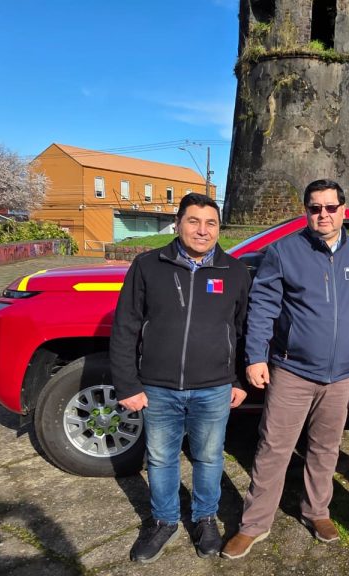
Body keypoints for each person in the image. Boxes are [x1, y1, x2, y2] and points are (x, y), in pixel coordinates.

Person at [221, 179, 349, 560]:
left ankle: (317, 512)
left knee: (326, 448)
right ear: (305, 211)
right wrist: (255, 357)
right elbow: (263, 308)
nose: (322, 214)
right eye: (314, 207)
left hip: (340, 374)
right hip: (292, 370)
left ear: (344, 210)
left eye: (330, 207)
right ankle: (254, 525)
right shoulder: (283, 252)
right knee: (274, 448)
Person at [110, 193, 251, 563]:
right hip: (158, 387)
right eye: (193, 221)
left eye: (211, 223)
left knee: (208, 457)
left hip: (213, 388)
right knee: (160, 458)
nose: (202, 231)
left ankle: (205, 517)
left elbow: (241, 331)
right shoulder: (147, 265)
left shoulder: (234, 272)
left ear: (219, 228)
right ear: (178, 223)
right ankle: (164, 520)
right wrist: (128, 385)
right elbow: (125, 327)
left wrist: (237, 380)